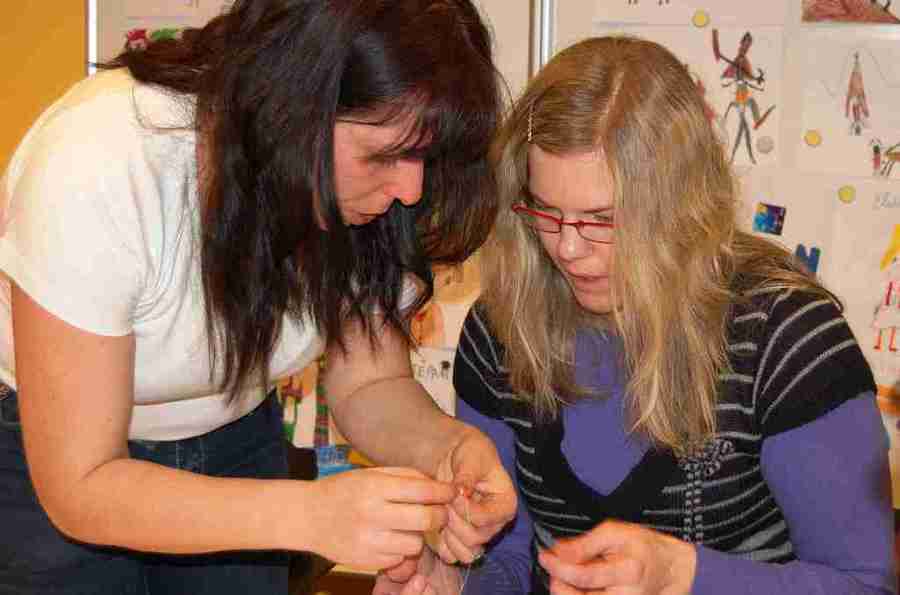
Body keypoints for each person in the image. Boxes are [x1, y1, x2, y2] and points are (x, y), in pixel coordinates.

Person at [0, 1, 517, 593]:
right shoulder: (100, 160)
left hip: (234, 434)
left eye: (424, 155)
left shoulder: (368, 200)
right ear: (292, 107)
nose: (410, 188)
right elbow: (82, 485)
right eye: (384, 155)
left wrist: (449, 446)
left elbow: (370, 383)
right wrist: (309, 516)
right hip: (49, 454)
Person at [375, 35, 896, 595]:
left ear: (681, 205)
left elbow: (866, 585)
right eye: (545, 212)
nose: (567, 248)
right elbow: (508, 563)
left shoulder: (786, 337)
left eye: (602, 219)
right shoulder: (502, 327)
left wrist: (683, 576)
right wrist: (453, 581)